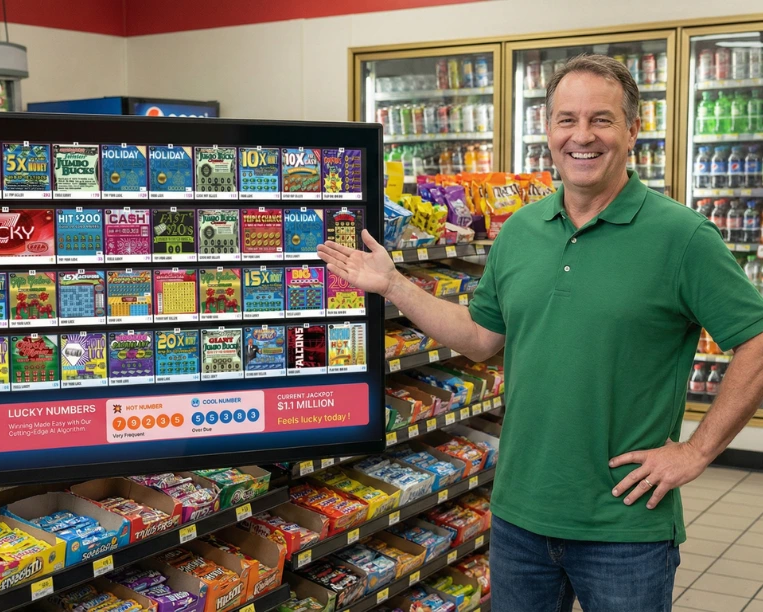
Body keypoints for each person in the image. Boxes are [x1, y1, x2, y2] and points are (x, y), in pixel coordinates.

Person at [318, 54, 763, 612]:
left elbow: (757, 339)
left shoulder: (683, 237)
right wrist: (396, 286)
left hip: (623, 527)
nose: (582, 136)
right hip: (518, 517)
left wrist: (696, 452)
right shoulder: (521, 231)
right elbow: (481, 338)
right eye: (566, 119)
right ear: (548, 131)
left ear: (632, 129)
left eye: (601, 119)